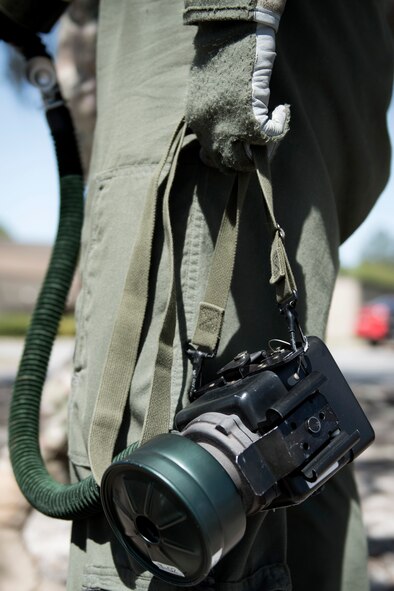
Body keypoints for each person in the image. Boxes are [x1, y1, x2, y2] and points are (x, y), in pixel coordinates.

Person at [1, 1, 393, 590]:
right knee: (299, 467)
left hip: (209, 36)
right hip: (321, 49)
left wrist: (232, 22)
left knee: (166, 478)